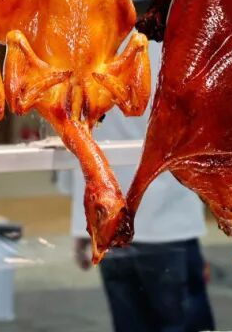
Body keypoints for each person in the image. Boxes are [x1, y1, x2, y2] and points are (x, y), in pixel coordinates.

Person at [69, 40, 216, 332]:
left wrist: (81, 227)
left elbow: (79, 142)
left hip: (111, 226)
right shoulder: (178, 48)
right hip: (169, 226)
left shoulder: (88, 51)